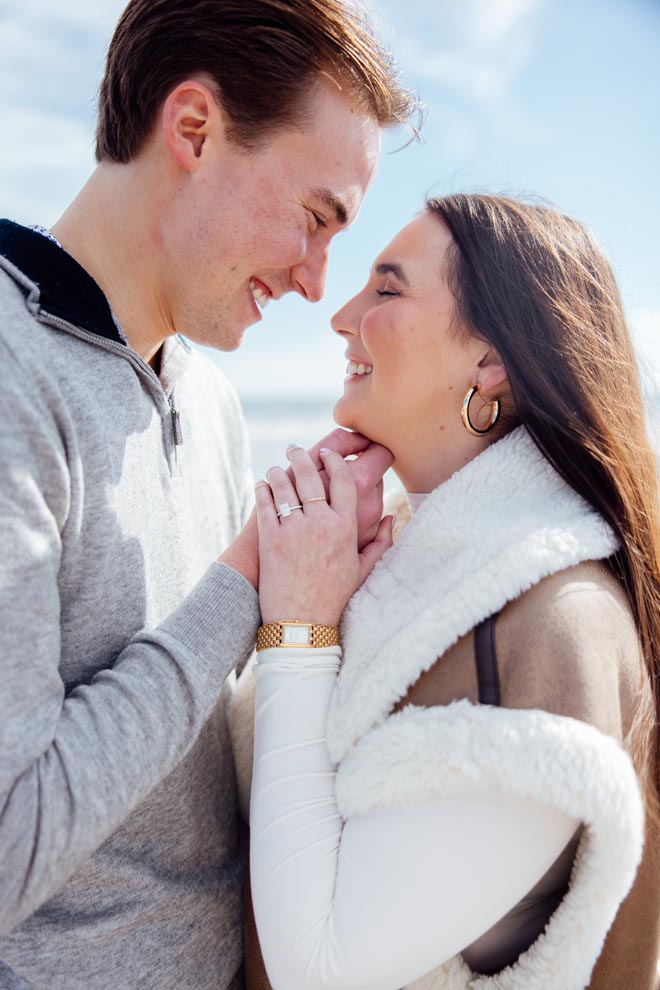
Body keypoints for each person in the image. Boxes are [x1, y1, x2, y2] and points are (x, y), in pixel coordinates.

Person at [0, 2, 417, 987]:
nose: (318, 283)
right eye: (316, 219)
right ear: (192, 129)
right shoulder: (13, 378)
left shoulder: (214, 400)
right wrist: (246, 575)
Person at [231, 194, 660, 989]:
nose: (340, 316)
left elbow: (316, 968)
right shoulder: (414, 570)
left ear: (490, 363)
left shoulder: (552, 631)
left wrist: (298, 626)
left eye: (388, 291)